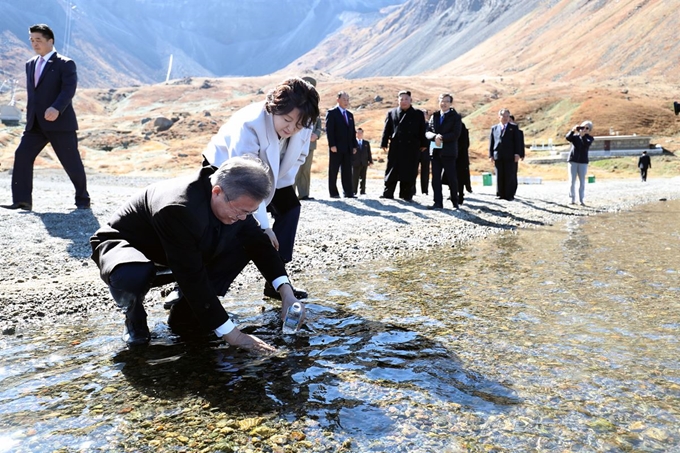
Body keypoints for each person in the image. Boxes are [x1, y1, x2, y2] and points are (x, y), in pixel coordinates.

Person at [90, 157, 301, 352]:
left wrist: (286, 293)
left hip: (181, 249)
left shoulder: (234, 200)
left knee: (244, 242)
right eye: (240, 211)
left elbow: (259, 244)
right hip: (131, 248)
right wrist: (235, 336)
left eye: (249, 212)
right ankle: (134, 318)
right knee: (132, 275)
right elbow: (191, 275)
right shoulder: (178, 207)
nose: (243, 217)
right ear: (217, 191)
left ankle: (185, 312)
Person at [203, 77, 319, 300]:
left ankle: (276, 279)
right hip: (228, 169)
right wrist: (264, 227)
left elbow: (298, 159)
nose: (291, 128)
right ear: (273, 107)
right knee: (234, 226)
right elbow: (247, 182)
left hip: (273, 175)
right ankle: (193, 286)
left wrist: (279, 189)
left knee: (290, 208)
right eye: (286, 119)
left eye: (298, 124)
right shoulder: (251, 124)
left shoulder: (303, 123)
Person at [2, 24, 90, 211]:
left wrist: (57, 108)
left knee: (71, 162)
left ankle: (83, 200)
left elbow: (68, 90)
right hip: (35, 123)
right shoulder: (30, 64)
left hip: (60, 123)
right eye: (32, 40)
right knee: (22, 155)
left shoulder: (65, 63)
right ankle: (22, 200)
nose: (34, 44)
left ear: (50, 41)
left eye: (39, 40)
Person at [380, 90, 427, 201]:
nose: (404, 101)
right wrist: (384, 142)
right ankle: (388, 193)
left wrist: (424, 144)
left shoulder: (418, 114)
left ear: (411, 100)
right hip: (396, 146)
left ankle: (406, 194)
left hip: (412, 147)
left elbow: (422, 130)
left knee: (409, 171)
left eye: (406, 99)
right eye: (401, 99)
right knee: (392, 170)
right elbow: (387, 129)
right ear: (398, 100)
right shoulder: (392, 113)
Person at [425, 93, 462, 209]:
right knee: (435, 178)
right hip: (435, 152)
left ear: (450, 103)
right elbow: (427, 131)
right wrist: (434, 136)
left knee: (451, 178)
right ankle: (437, 202)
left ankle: (455, 202)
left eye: (446, 101)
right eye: (442, 100)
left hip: (449, 152)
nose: (444, 103)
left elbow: (456, 134)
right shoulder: (434, 116)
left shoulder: (455, 117)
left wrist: (442, 137)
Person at [295, 76, 323, 200]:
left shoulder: (314, 105)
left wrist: (316, 134)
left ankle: (304, 194)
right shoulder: (296, 103)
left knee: (305, 169)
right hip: (296, 143)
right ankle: (289, 194)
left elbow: (318, 124)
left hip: (310, 144)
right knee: (293, 168)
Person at [325, 91, 357, 198]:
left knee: (347, 170)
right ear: (338, 100)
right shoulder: (332, 113)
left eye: (347, 100)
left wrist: (354, 146)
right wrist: (332, 145)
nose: (346, 102)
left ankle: (348, 192)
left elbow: (352, 131)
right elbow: (329, 130)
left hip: (348, 147)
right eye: (344, 99)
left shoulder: (350, 115)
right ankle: (333, 192)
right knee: (334, 170)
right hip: (336, 147)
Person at [488, 108, 524, 201]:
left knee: (509, 175)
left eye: (507, 116)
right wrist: (490, 155)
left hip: (510, 155)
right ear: (499, 117)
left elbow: (517, 142)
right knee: (499, 175)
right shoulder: (494, 128)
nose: (505, 118)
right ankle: (500, 193)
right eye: (503, 116)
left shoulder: (514, 128)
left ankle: (509, 195)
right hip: (498, 155)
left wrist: (517, 154)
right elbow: (491, 142)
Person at [566, 120, 594, 205]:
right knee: (572, 181)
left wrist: (583, 136)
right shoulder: (575, 137)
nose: (584, 129)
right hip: (573, 160)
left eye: (587, 128)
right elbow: (567, 138)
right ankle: (572, 199)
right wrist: (572, 130)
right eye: (583, 127)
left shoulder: (589, 138)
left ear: (589, 130)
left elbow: (586, 144)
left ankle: (581, 200)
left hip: (583, 162)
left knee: (582, 181)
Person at [352, 128, 373, 195]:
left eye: (361, 133)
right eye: (358, 133)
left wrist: (370, 161)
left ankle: (362, 191)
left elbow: (368, 152)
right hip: (355, 163)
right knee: (355, 178)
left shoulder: (366, 143)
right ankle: (354, 191)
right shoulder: (353, 143)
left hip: (364, 162)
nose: (359, 134)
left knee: (363, 178)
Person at [456, 120, 473, 205]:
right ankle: (454, 194)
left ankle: (460, 195)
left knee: (461, 177)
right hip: (451, 155)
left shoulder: (461, 126)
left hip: (461, 156)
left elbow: (465, 143)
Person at [415, 108, 431, 196]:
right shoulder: (415, 125)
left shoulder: (430, 125)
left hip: (426, 151)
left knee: (425, 172)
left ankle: (425, 190)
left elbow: (432, 137)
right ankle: (412, 190)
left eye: (424, 114)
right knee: (414, 171)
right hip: (416, 151)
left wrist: (426, 146)